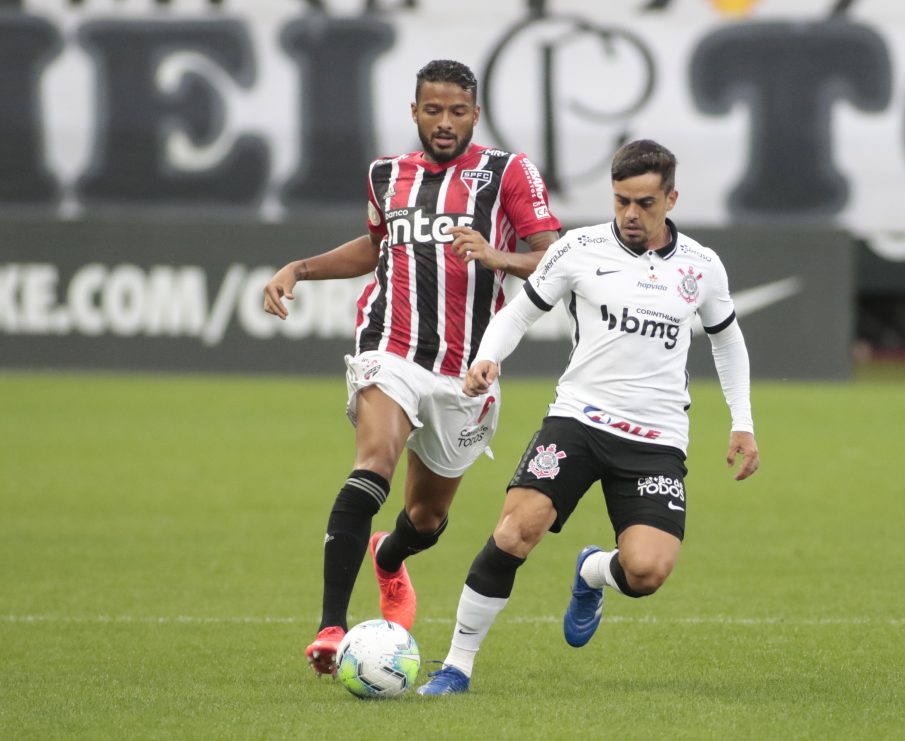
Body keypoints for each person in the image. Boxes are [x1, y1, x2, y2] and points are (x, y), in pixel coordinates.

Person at [416, 139, 760, 696]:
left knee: (646, 572)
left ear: (671, 198)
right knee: (513, 531)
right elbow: (520, 311)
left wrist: (741, 422)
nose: (630, 213)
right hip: (578, 421)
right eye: (621, 199)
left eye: (645, 202)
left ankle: (592, 571)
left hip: (655, 438)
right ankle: (456, 666)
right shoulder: (578, 248)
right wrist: (487, 358)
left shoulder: (701, 266)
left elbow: (728, 343)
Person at [262, 59, 561, 676]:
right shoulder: (385, 175)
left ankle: (391, 558)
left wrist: (495, 254)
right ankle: (330, 626)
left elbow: (554, 259)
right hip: (390, 348)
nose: (444, 122)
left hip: (467, 370)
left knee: (425, 518)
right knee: (372, 462)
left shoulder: (507, 173)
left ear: (475, 114)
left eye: (457, 111)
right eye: (432, 110)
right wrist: (300, 268)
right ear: (414, 111)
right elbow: (376, 247)